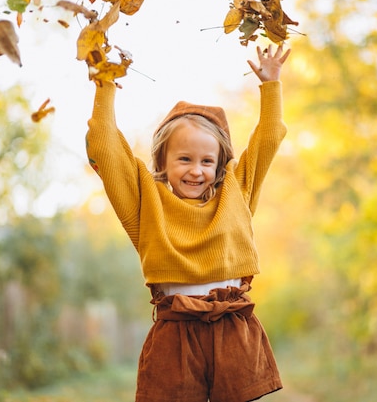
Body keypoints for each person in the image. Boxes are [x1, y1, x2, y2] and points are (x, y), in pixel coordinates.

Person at [86, 44, 292, 402]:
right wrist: (104, 86)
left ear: (219, 164)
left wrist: (270, 86)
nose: (196, 170)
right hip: (176, 332)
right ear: (162, 161)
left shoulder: (236, 192)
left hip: (231, 325)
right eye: (184, 158)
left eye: (207, 161)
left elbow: (268, 139)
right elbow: (103, 147)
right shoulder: (145, 203)